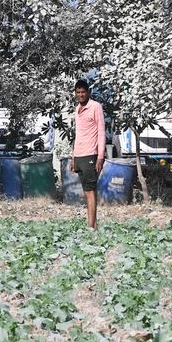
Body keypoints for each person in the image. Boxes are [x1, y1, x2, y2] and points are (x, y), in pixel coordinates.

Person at [70, 79, 105, 229]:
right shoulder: (77, 109)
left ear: (88, 92)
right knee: (86, 191)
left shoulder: (96, 107)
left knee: (90, 191)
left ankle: (90, 227)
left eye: (83, 92)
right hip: (79, 155)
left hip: (91, 154)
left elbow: (102, 132)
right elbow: (78, 135)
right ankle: (94, 225)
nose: (81, 95)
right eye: (78, 92)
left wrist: (100, 156)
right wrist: (73, 157)